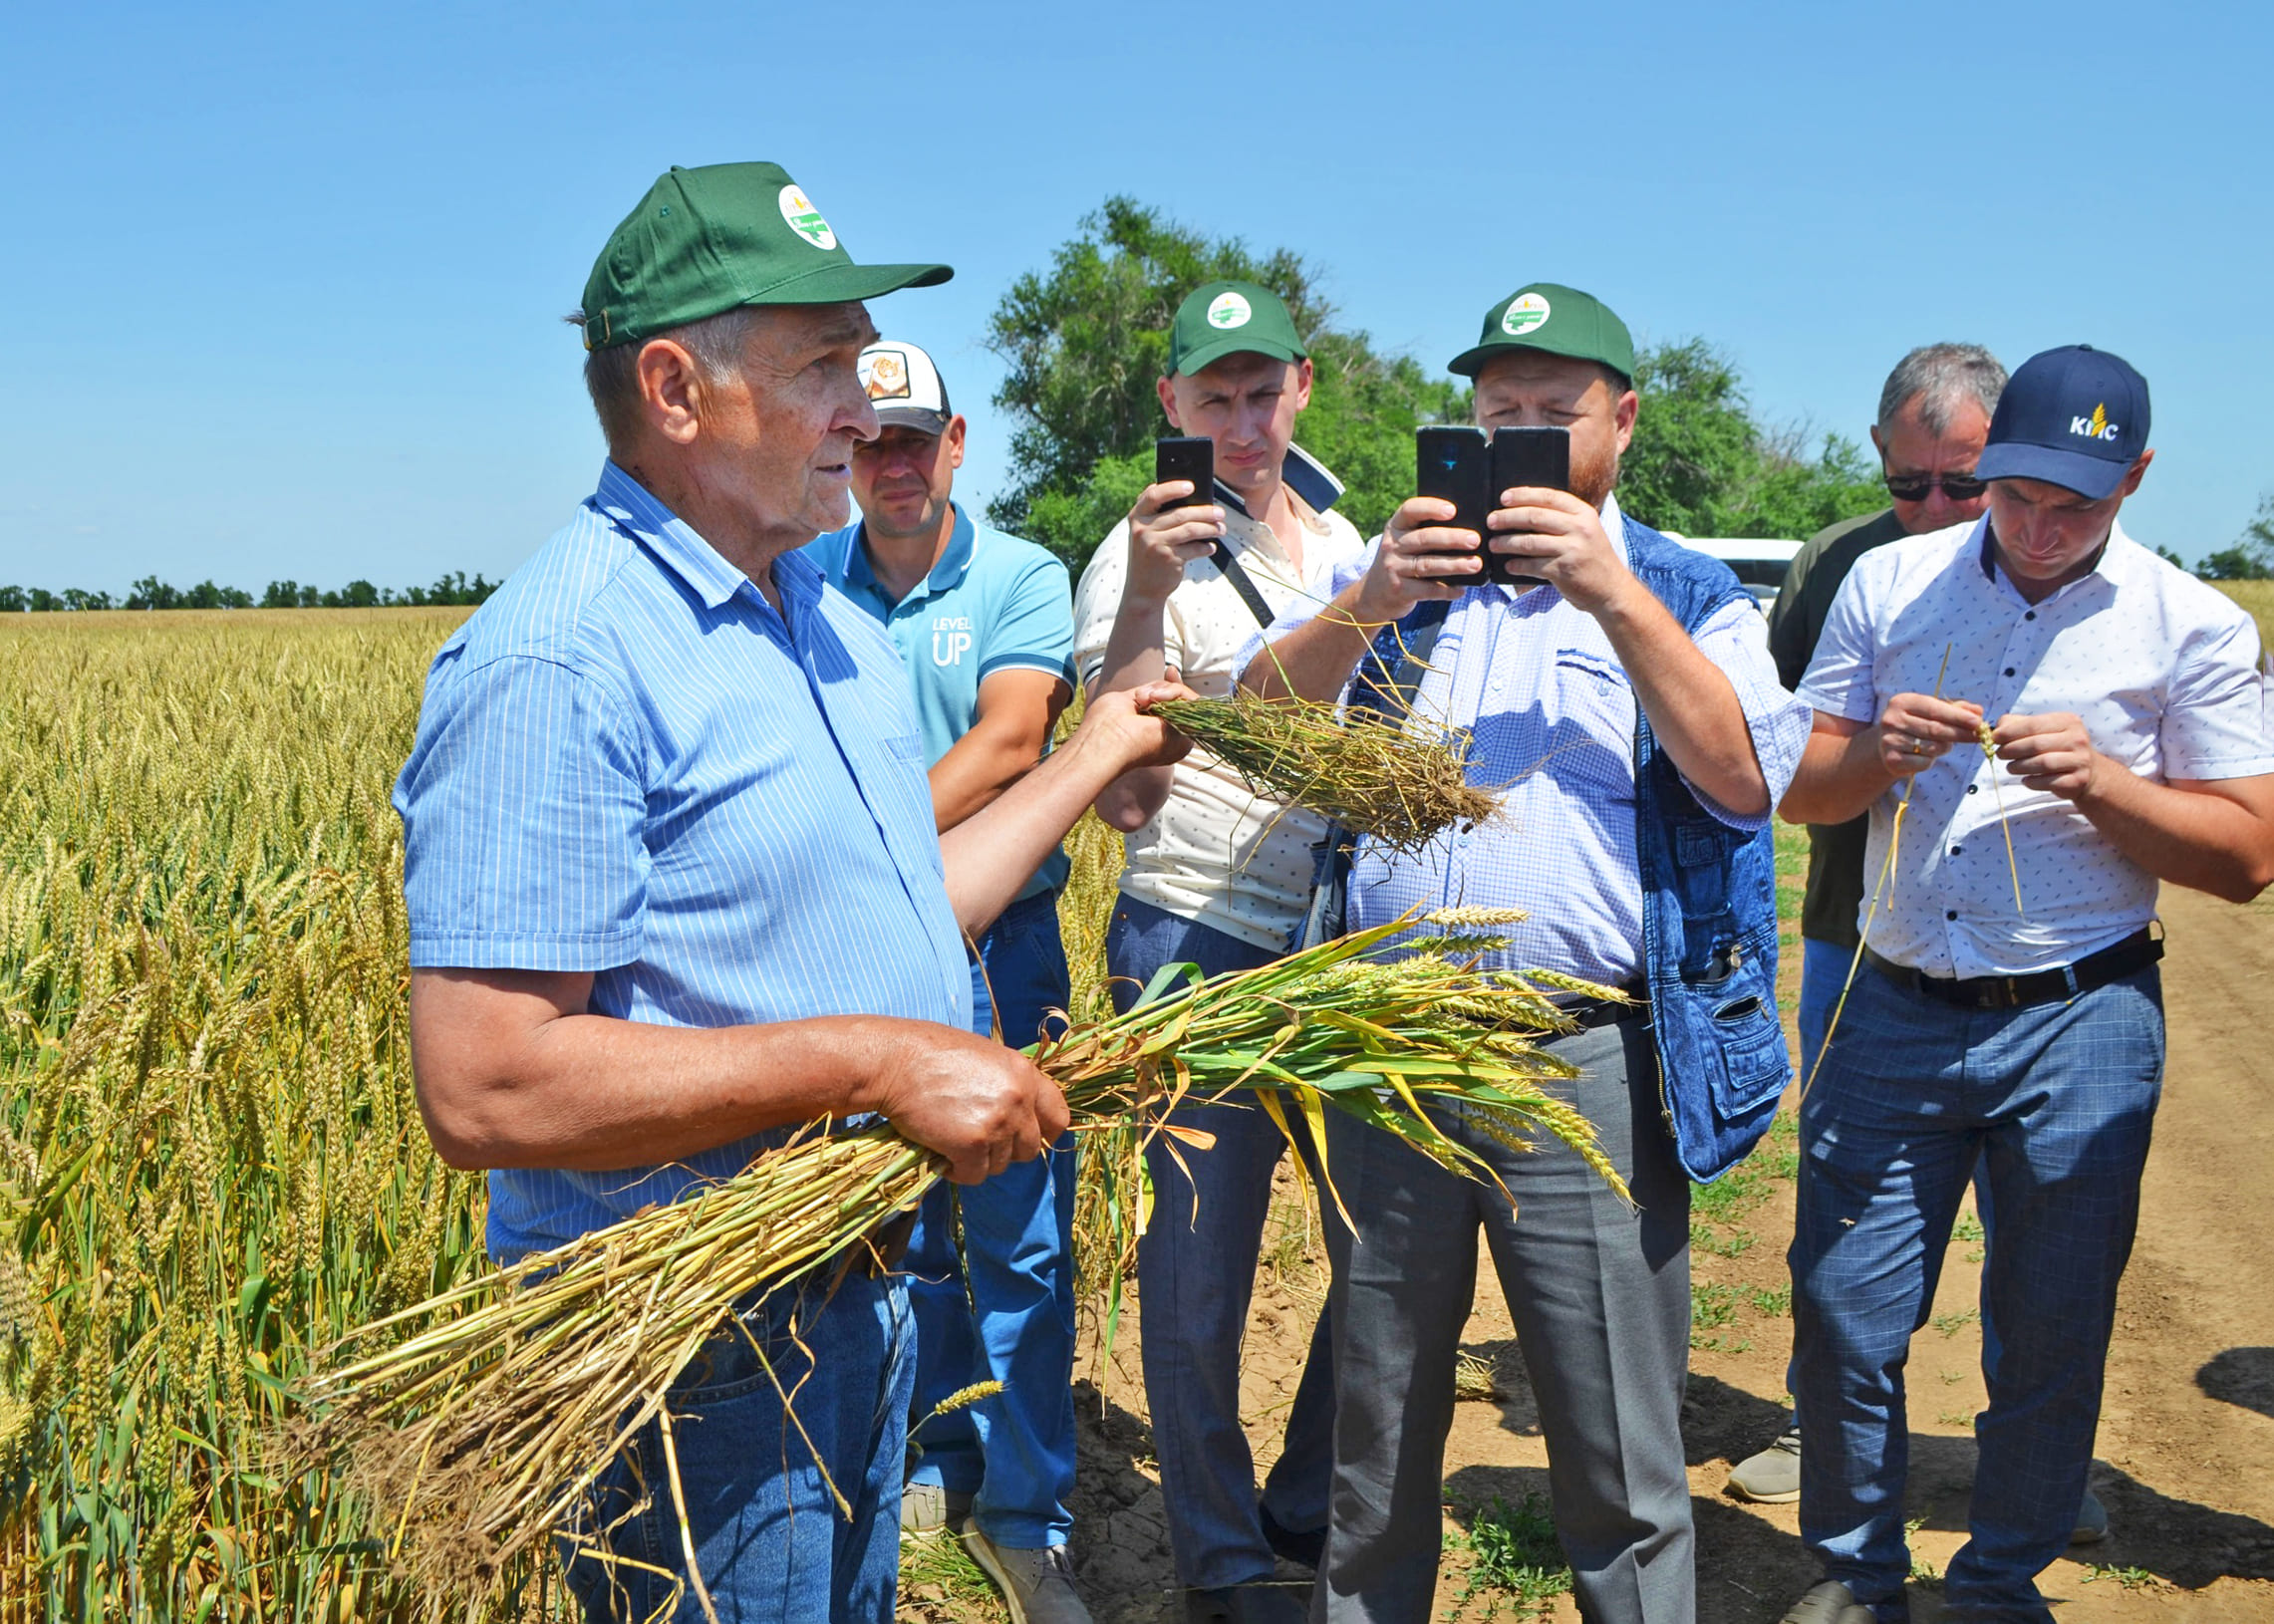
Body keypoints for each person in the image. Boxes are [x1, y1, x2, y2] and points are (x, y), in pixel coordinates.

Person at [392, 161, 1192, 1624]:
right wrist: (883, 1060)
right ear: (674, 389)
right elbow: (487, 1085)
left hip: (858, 1292)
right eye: (821, 361)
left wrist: (1091, 756)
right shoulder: (558, 662)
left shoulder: (818, 617)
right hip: (696, 1348)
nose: (858, 401)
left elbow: (902, 901)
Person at [1241, 283, 1812, 1624]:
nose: (1521, 436)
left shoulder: (1684, 589)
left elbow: (1737, 784)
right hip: (1392, 1047)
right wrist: (1370, 598)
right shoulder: (1406, 586)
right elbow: (1258, 725)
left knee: (1612, 1437)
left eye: (1552, 416)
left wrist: (1608, 591)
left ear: (1620, 421)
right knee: (1374, 1427)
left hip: (1578, 1056)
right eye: (1498, 413)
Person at [1776, 344, 2274, 1624]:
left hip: (2080, 1017)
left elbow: (2244, 859)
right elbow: (1803, 785)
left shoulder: (2191, 626)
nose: (2041, 529)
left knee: (2049, 1328)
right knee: (1843, 1312)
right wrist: (1877, 753)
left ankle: (1996, 1582)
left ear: (2135, 480)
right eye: (2014, 496)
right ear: (1984, 466)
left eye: (2078, 506)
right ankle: (1851, 1576)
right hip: (1891, 1001)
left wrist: (2107, 784)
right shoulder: (1887, 582)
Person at [1072, 280, 1367, 1622]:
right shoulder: (1140, 554)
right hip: (1193, 936)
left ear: (1301, 383)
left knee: (1384, 1244)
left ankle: (1302, 1501)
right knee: (1199, 1268)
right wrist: (1143, 589)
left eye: (1261, 394)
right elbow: (1118, 784)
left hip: (1342, 939)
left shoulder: (1352, 536)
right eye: (1213, 400)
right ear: (1169, 408)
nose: (1241, 427)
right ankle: (1221, 1555)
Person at [807, 337, 1088, 1623]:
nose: (893, 462)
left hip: (1002, 945)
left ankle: (1029, 1511)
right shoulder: (805, 574)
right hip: (856, 960)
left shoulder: (1022, 573)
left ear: (957, 442)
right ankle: (930, 1461)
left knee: (1020, 1232)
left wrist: (857, 860)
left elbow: (1008, 740)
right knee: (900, 1230)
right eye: (867, 439)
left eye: (912, 437)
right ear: (843, 448)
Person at [1727, 343, 2012, 1505]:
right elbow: (1769, 741)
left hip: (2030, 950)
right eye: (1908, 483)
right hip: (1858, 928)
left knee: (2030, 1217)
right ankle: (1818, 1427)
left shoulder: (2064, 567)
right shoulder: (1837, 565)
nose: (1931, 509)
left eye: (1962, 483)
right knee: (1849, 1197)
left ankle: (2022, 1457)